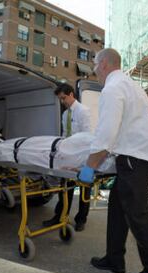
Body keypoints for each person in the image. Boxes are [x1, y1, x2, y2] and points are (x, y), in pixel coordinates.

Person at [78, 48, 148, 273]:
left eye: (96, 65)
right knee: (118, 209)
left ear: (105, 63)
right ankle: (114, 259)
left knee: (137, 215)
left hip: (134, 160)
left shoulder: (113, 88)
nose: (95, 70)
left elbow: (106, 133)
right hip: (136, 158)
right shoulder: (130, 85)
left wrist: (89, 167)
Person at [42, 83, 92, 232]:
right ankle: (59, 216)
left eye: (64, 98)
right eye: (60, 99)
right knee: (65, 188)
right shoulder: (65, 114)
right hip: (68, 154)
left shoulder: (84, 111)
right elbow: (64, 135)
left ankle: (81, 220)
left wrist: (82, 159)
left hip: (82, 154)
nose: (62, 102)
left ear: (71, 95)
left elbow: (87, 135)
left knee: (84, 189)